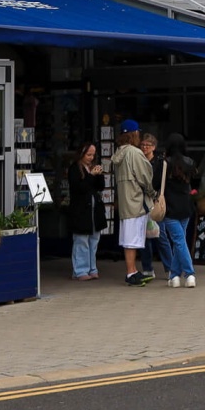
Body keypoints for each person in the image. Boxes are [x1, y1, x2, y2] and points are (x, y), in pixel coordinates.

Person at [112, 119, 156, 287]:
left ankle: (132, 271)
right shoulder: (134, 153)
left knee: (128, 239)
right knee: (133, 239)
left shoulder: (119, 152)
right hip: (136, 200)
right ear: (134, 134)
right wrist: (153, 193)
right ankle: (131, 273)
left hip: (125, 201)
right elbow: (145, 177)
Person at [161, 133, 198, 288]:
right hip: (186, 206)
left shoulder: (164, 163)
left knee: (178, 241)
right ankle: (174, 275)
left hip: (170, 207)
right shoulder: (190, 162)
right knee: (179, 241)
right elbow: (195, 183)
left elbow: (156, 184)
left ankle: (189, 274)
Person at [66, 143, 106, 281]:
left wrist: (99, 175)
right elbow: (79, 188)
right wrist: (91, 175)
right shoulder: (74, 169)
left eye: (93, 155)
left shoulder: (92, 166)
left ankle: (92, 268)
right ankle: (80, 270)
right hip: (81, 210)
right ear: (81, 154)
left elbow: (100, 187)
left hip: (95, 210)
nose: (91, 157)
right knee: (81, 240)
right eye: (88, 154)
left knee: (94, 240)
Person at [137, 134, 167, 283]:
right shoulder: (138, 160)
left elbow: (159, 181)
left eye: (148, 145)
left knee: (161, 236)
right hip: (141, 201)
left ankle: (169, 268)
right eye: (142, 145)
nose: (144, 147)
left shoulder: (159, 162)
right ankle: (147, 268)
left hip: (154, 201)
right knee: (144, 237)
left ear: (154, 147)